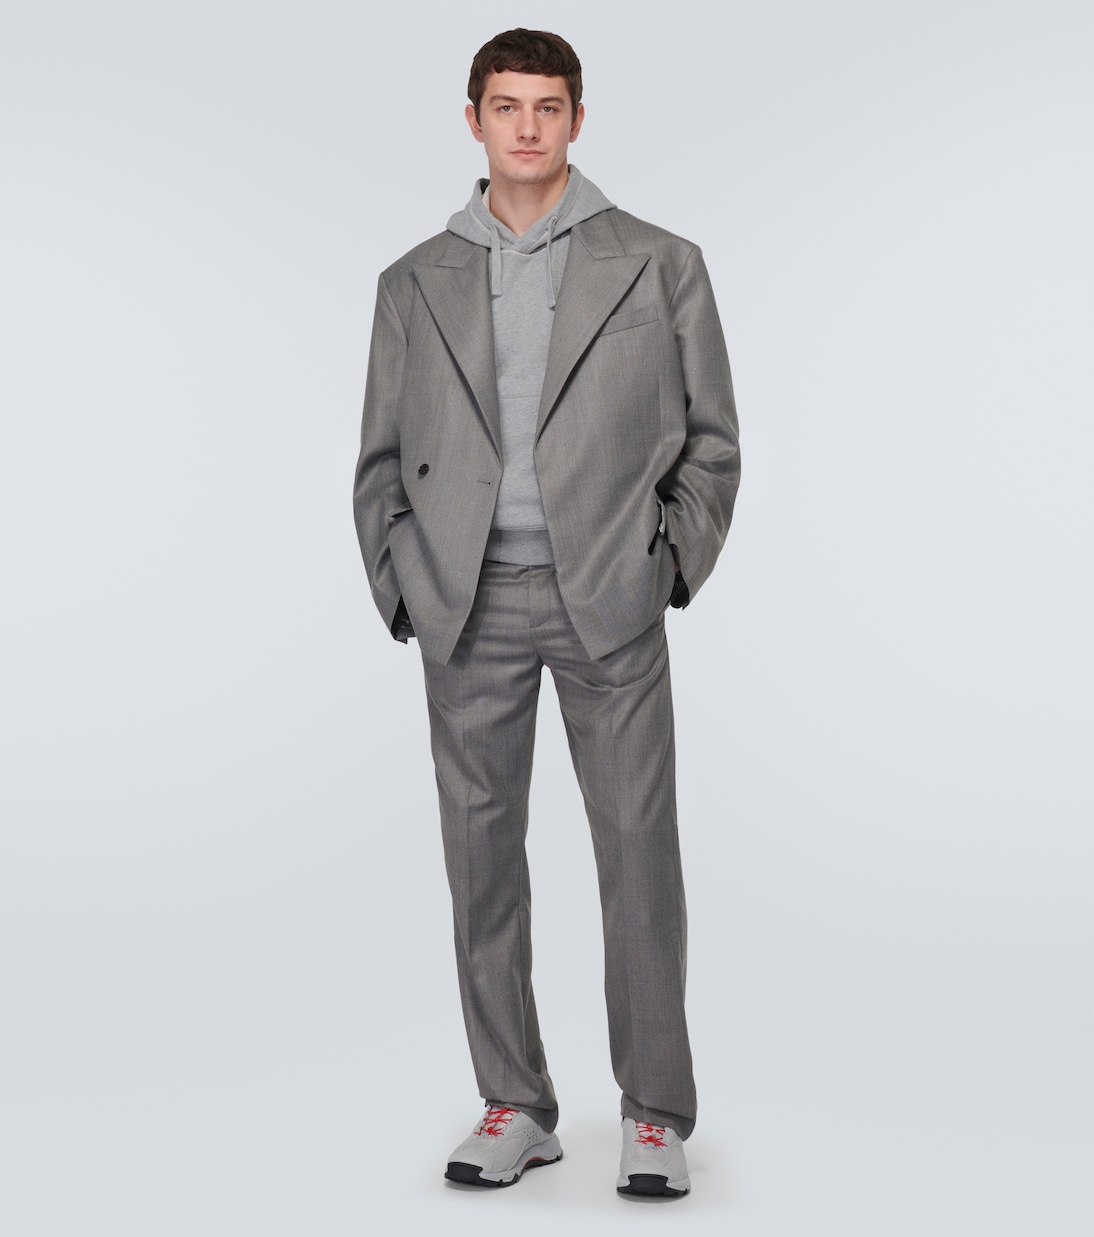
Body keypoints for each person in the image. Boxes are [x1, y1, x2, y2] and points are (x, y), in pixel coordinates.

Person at [353, 28, 740, 1198]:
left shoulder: (659, 263)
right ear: (472, 119)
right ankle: (514, 1102)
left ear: (577, 119)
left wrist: (664, 565)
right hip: (464, 602)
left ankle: (655, 1113)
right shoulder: (411, 280)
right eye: (506, 106)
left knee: (636, 855)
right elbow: (380, 455)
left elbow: (712, 442)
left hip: (608, 598)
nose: (527, 127)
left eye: (548, 106)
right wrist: (404, 580)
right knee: (480, 865)